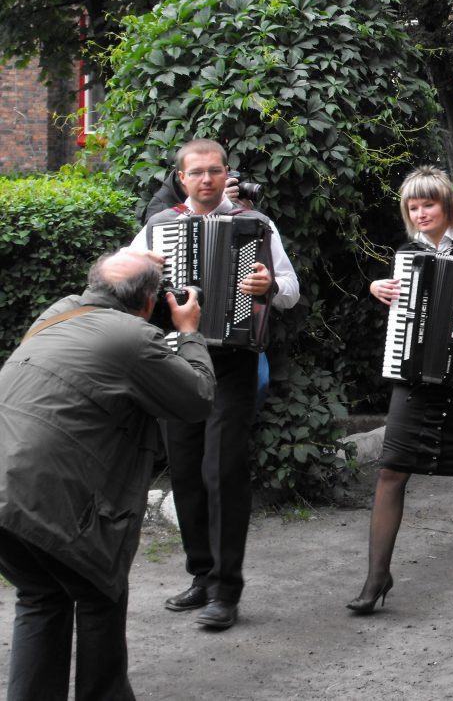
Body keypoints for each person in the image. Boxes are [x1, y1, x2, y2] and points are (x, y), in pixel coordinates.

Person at [0, 250, 215, 701]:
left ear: (93, 283)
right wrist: (189, 332)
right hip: (45, 493)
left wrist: (133, 263)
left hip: (4, 491)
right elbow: (196, 398)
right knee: (100, 593)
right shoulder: (134, 337)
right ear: (150, 300)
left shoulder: (56, 313)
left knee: (41, 596)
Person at [131, 138, 300, 630]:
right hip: (176, 359)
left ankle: (227, 590)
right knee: (185, 470)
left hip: (232, 360)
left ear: (228, 174)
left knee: (222, 469)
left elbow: (291, 290)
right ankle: (202, 576)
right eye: (196, 172)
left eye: (214, 170)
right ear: (181, 178)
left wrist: (269, 286)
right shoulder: (159, 227)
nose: (206, 179)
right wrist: (146, 275)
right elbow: (119, 280)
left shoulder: (256, 224)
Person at [353, 166, 453, 613]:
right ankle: (377, 577)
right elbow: (399, 306)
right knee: (391, 471)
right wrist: (376, 287)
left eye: (429, 204)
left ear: (446, 206)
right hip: (414, 379)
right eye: (413, 206)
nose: (421, 213)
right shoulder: (407, 253)